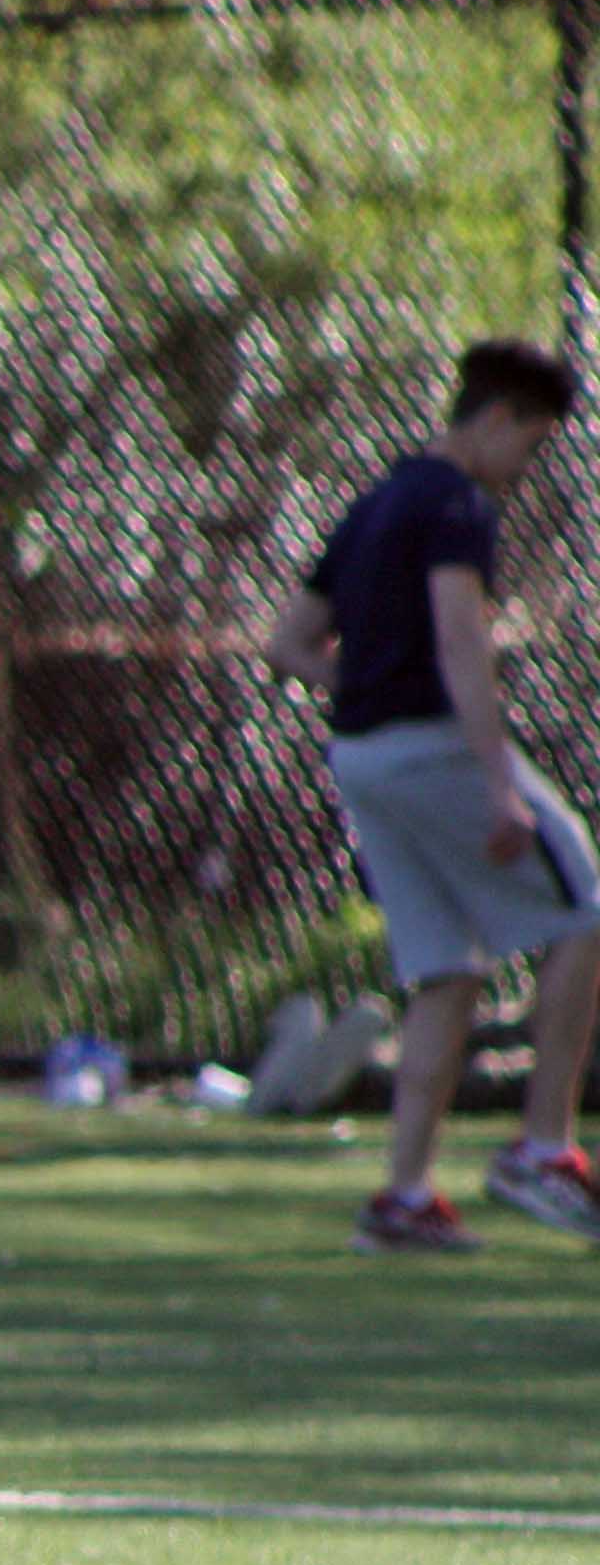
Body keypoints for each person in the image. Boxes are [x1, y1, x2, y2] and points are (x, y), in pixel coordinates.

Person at [262, 339, 600, 1252]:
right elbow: (460, 638)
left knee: (446, 971)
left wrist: (368, 685)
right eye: (531, 445)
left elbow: (289, 643)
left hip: (361, 757)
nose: (524, 470)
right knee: (585, 908)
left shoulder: (376, 503)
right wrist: (497, 783)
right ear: (497, 419)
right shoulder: (456, 502)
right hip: (431, 748)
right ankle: (544, 1149)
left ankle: (405, 1197)